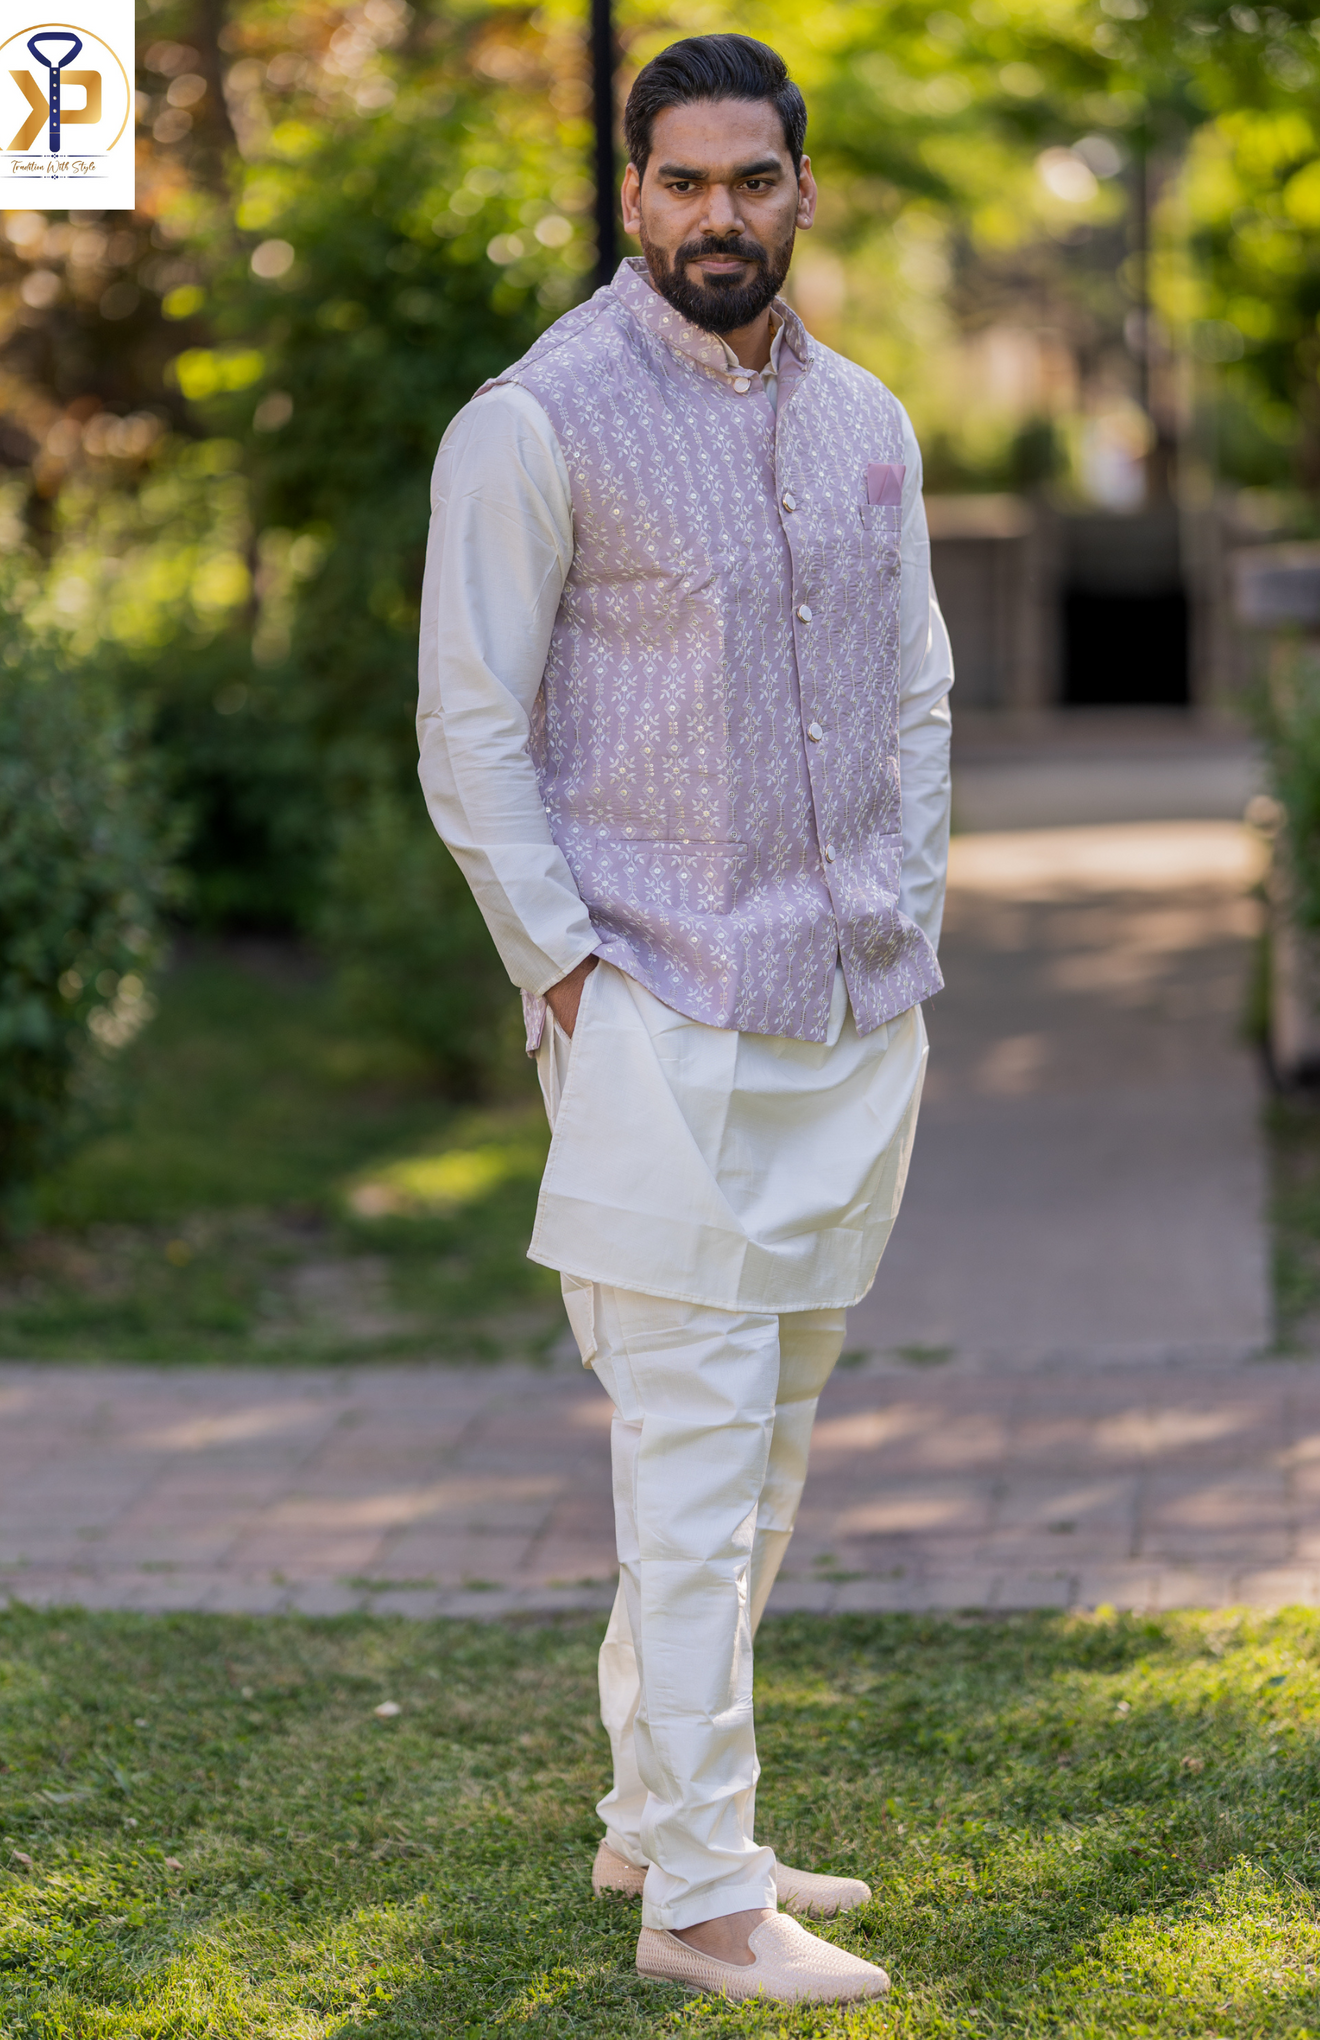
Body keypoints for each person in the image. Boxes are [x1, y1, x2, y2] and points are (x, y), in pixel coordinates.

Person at [417, 31, 952, 2006]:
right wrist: (567, 973)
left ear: (801, 191)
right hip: (656, 1007)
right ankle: (703, 1907)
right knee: (694, 1456)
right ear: (630, 194)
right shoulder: (532, 423)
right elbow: (468, 727)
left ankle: (659, 1821)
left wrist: (908, 904)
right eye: (682, 181)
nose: (718, 213)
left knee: (770, 1451)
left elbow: (915, 683)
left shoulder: (866, 420)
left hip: (851, 1008)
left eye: (752, 178)